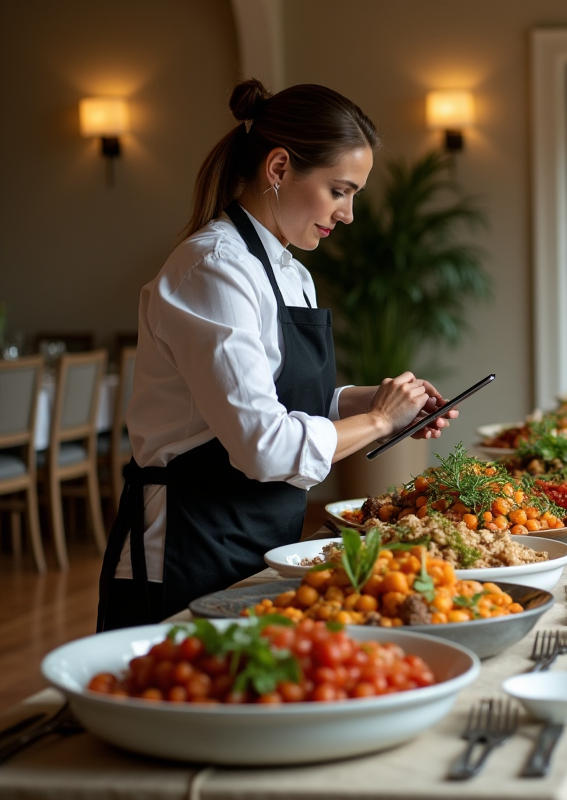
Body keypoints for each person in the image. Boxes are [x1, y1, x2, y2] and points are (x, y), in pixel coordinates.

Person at [97, 79, 455, 630]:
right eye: (340, 190)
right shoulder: (212, 269)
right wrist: (378, 420)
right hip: (189, 545)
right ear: (280, 168)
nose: (349, 213)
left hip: (262, 536)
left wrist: (382, 405)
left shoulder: (292, 273)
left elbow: (291, 399)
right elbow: (264, 445)